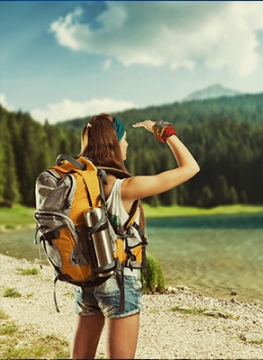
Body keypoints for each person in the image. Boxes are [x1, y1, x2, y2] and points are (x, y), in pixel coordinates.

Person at [71, 113, 199, 359]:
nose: (127, 144)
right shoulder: (126, 187)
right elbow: (191, 167)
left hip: (85, 277)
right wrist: (164, 131)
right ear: (114, 143)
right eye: (125, 139)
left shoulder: (78, 185)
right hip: (118, 280)